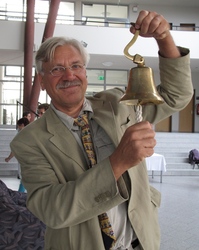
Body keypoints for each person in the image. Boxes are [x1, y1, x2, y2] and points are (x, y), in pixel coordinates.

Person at [10, 10, 193, 250]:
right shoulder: (29, 141)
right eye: (56, 69)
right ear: (42, 81)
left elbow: (175, 96)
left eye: (76, 65)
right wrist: (118, 161)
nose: (69, 75)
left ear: (85, 73)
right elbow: (52, 209)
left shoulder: (118, 103)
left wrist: (163, 37)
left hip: (141, 241)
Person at [5, 117, 29, 192]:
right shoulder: (32, 133)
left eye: (19, 126)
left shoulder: (21, 135)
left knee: (24, 178)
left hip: (25, 159)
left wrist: (9, 158)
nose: (18, 128)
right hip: (30, 158)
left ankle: (20, 194)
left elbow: (15, 148)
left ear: (22, 125)